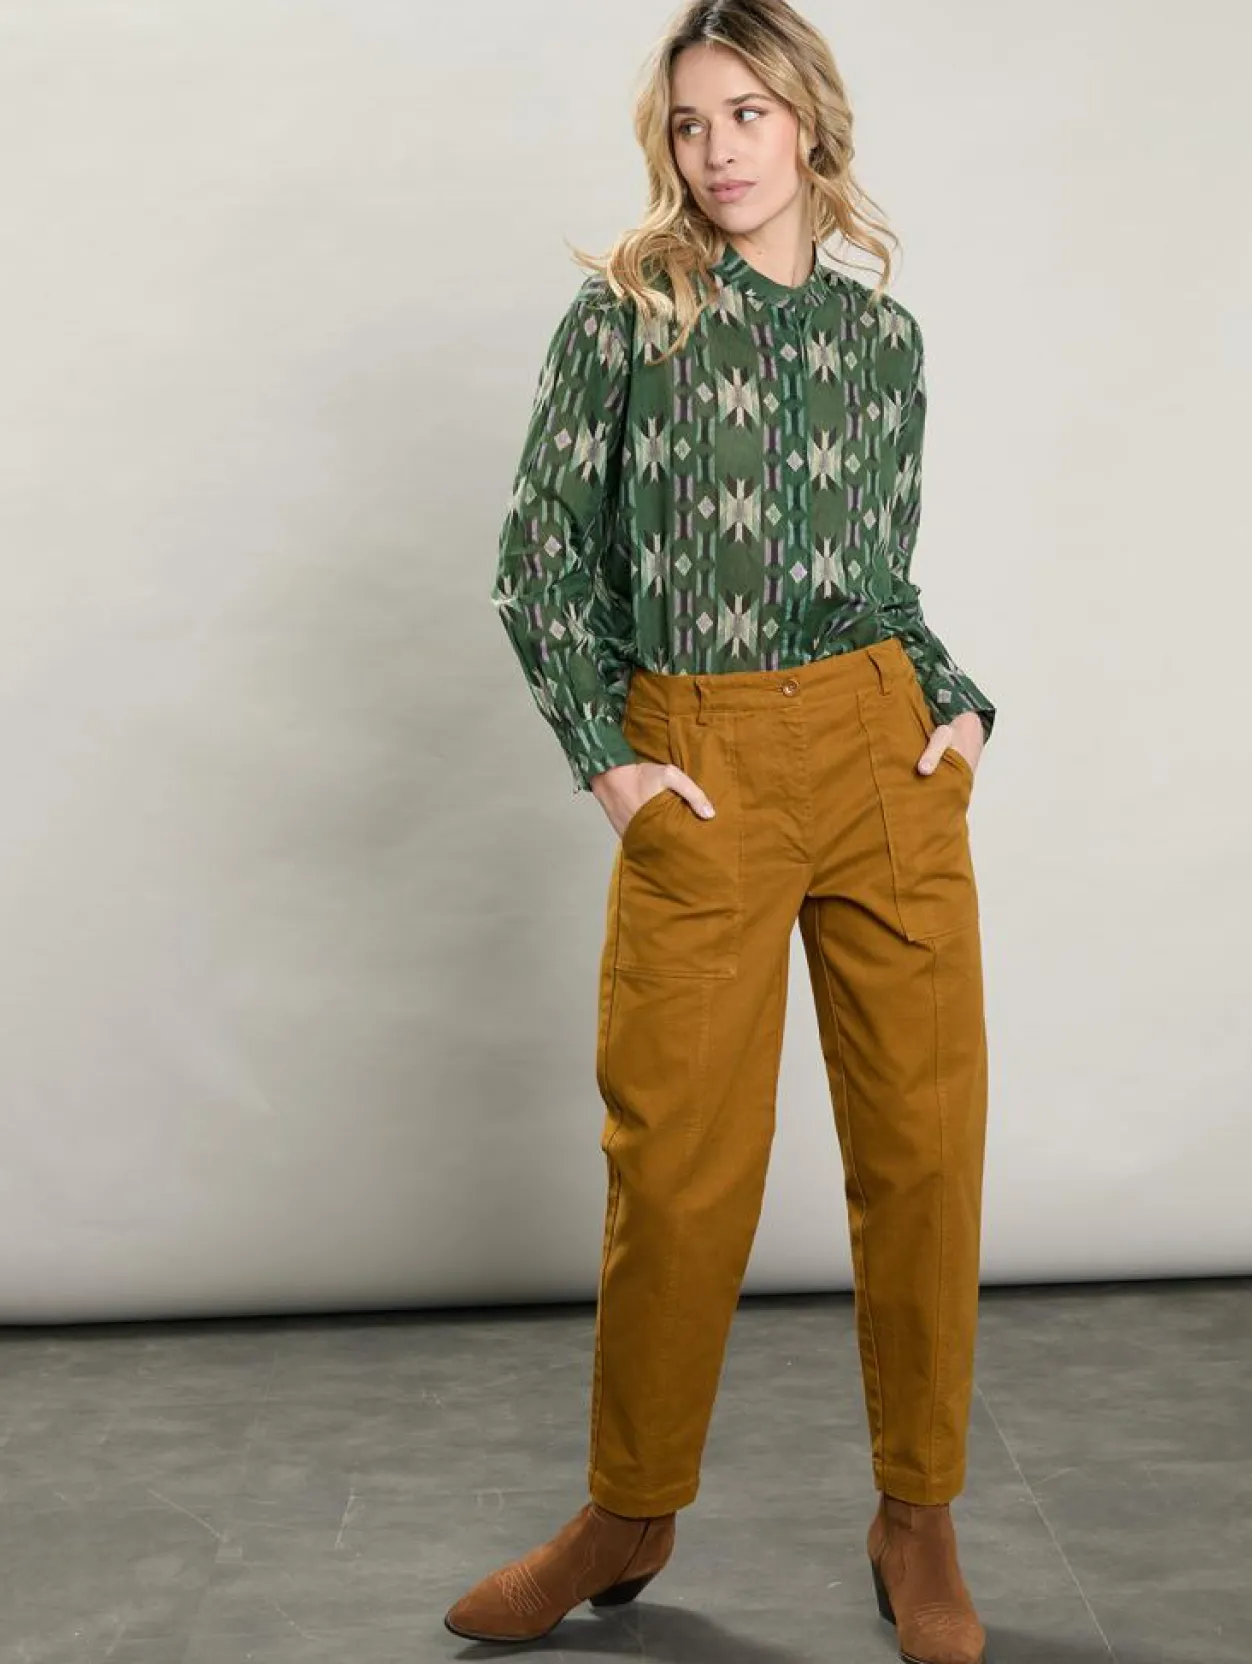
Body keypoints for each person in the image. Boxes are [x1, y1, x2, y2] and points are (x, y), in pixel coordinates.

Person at [446, 3, 995, 1660]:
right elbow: (540, 564)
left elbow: (886, 582)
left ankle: (919, 1514)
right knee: (678, 1167)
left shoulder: (883, 344)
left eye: (748, 112)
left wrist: (958, 706)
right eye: (690, 122)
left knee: (924, 1151)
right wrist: (609, 762)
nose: (718, 149)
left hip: (883, 757)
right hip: (700, 757)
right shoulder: (625, 320)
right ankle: (629, 1507)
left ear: (808, 121)